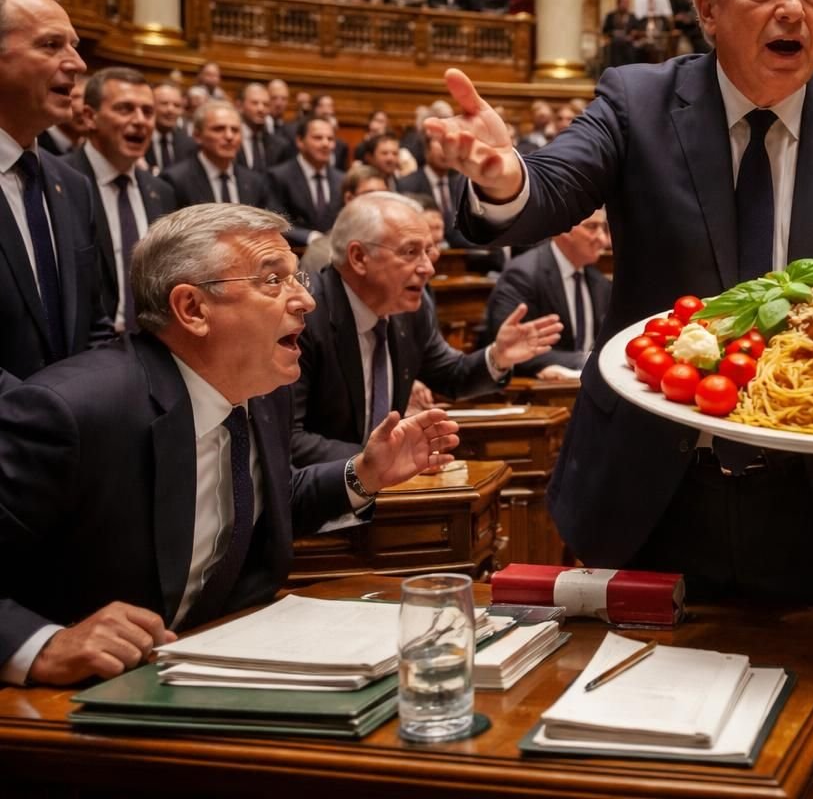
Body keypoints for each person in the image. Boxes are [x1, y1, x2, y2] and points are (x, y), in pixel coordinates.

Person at [424, 0, 813, 799]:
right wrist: (505, 174)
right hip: (654, 494)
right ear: (708, 7)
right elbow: (550, 187)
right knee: (629, 750)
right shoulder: (637, 100)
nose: (794, 6)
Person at [0, 204, 460, 686]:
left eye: (297, 277)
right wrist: (43, 645)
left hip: (211, 665)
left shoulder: (263, 394)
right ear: (193, 309)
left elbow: (264, 501)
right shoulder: (72, 413)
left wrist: (363, 473)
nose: (306, 299)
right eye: (272, 280)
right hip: (73, 709)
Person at [290, 192, 560, 467]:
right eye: (410, 252)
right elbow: (289, 442)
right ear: (359, 257)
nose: (428, 268)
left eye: (429, 252)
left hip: (385, 491)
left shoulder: (411, 311)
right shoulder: (305, 319)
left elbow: (451, 376)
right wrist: (379, 462)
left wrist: (498, 357)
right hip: (319, 495)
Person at [0, 0, 113, 388]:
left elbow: (93, 324)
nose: (78, 64)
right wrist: (49, 417)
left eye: (74, 45)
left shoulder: (73, 185)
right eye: (50, 45)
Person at [67, 67, 174, 332]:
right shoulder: (61, 182)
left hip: (152, 344)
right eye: (125, 109)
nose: (140, 121)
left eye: (148, 112)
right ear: (90, 117)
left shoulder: (162, 191)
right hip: (83, 351)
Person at [481, 208, 611, 378]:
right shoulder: (522, 276)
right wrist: (586, 361)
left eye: (604, 228)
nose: (603, 239)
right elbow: (511, 349)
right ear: (563, 229)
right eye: (592, 227)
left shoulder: (600, 282)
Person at [162, 99, 269, 209]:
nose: (229, 136)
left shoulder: (254, 182)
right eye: (219, 129)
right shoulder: (176, 181)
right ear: (197, 135)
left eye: (235, 130)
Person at [264, 115, 343, 248]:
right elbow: (274, 221)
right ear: (300, 141)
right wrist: (309, 236)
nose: (325, 144)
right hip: (294, 252)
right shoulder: (278, 176)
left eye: (330, 139)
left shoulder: (341, 179)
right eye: (318, 138)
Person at [148, 81, 195, 175]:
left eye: (176, 105)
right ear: (150, 106)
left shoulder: (189, 144)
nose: (171, 110)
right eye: (164, 104)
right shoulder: (137, 140)